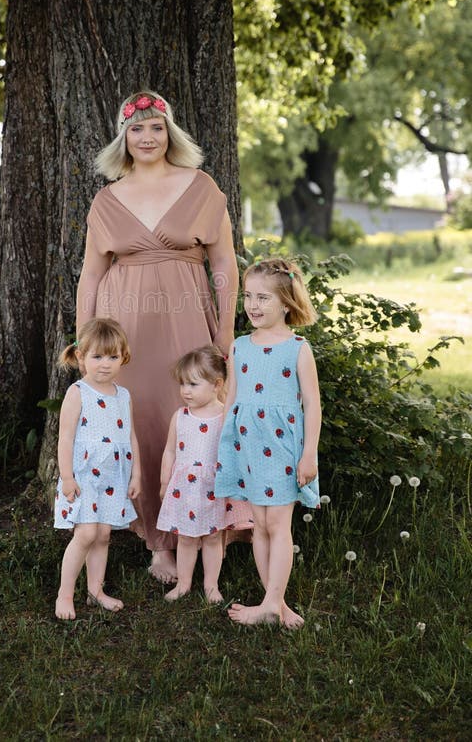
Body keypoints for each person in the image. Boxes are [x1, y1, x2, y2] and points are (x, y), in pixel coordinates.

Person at [76, 90, 238, 583]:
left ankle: (202, 528)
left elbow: (225, 263)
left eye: (157, 127)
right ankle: (156, 540)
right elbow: (90, 275)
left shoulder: (200, 186)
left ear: (171, 133)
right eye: (137, 128)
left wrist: (226, 332)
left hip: (187, 317)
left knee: (187, 412)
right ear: (123, 138)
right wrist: (87, 342)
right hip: (126, 325)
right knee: (141, 417)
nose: (148, 137)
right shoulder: (107, 199)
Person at [214, 258, 321, 628]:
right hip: (248, 446)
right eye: (248, 296)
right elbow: (232, 400)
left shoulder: (298, 349)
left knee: (278, 525)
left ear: (287, 303)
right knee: (258, 525)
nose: (254, 305)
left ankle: (271, 604)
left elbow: (312, 406)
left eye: (264, 298)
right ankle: (274, 603)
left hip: (282, 449)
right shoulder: (240, 347)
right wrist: (224, 443)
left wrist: (309, 455)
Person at [54, 318, 141, 620]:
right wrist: (66, 476)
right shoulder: (78, 392)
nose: (105, 364)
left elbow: (130, 437)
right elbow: (65, 438)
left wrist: (137, 473)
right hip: (84, 476)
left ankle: (95, 591)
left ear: (123, 357)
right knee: (86, 533)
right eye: (97, 357)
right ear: (81, 357)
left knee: (103, 534)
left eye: (113, 357)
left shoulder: (124, 395)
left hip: (113, 476)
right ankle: (65, 594)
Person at [156, 345, 230, 603]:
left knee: (212, 538)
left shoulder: (224, 416)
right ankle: (184, 584)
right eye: (183, 384)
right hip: (184, 488)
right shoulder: (181, 416)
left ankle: (211, 585)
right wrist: (165, 481)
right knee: (186, 538)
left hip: (213, 487)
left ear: (216, 384)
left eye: (194, 384)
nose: (185, 391)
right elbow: (169, 451)